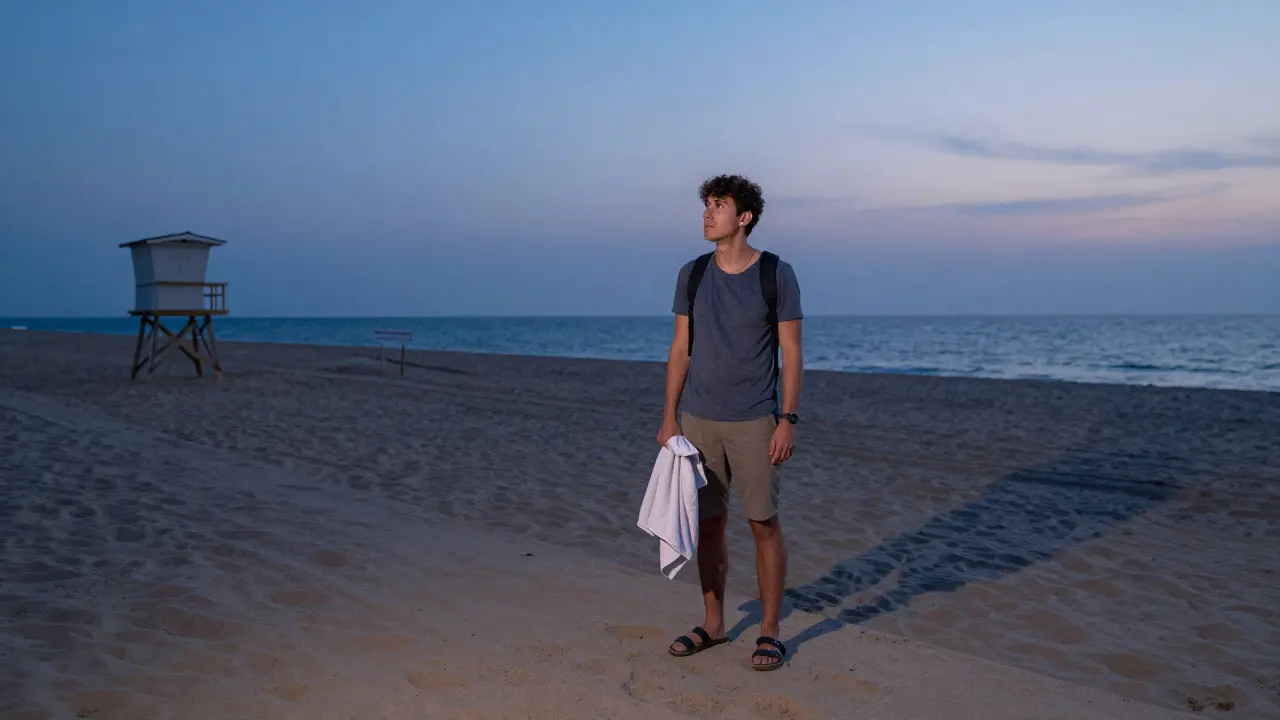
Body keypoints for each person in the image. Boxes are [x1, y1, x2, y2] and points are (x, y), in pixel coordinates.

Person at [656, 173, 804, 671]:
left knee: (763, 523)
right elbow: (681, 350)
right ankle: (714, 623)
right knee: (709, 526)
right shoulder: (692, 274)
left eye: (717, 206)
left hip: (755, 421)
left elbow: (792, 352)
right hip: (698, 420)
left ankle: (769, 631)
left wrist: (787, 419)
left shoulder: (776, 274)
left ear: (743, 217)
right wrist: (668, 418)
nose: (706, 214)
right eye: (705, 205)